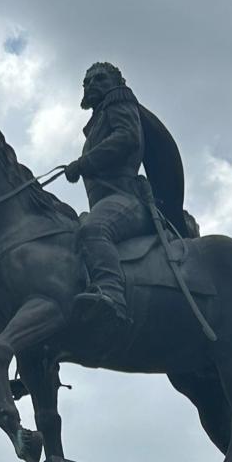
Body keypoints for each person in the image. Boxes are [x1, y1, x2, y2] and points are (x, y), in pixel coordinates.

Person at [64, 62, 152, 329]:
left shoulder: (118, 103)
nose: (91, 84)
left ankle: (111, 292)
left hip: (127, 200)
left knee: (94, 229)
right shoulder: (101, 116)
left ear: (117, 82)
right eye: (87, 82)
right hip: (107, 201)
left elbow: (127, 138)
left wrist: (84, 163)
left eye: (99, 79)